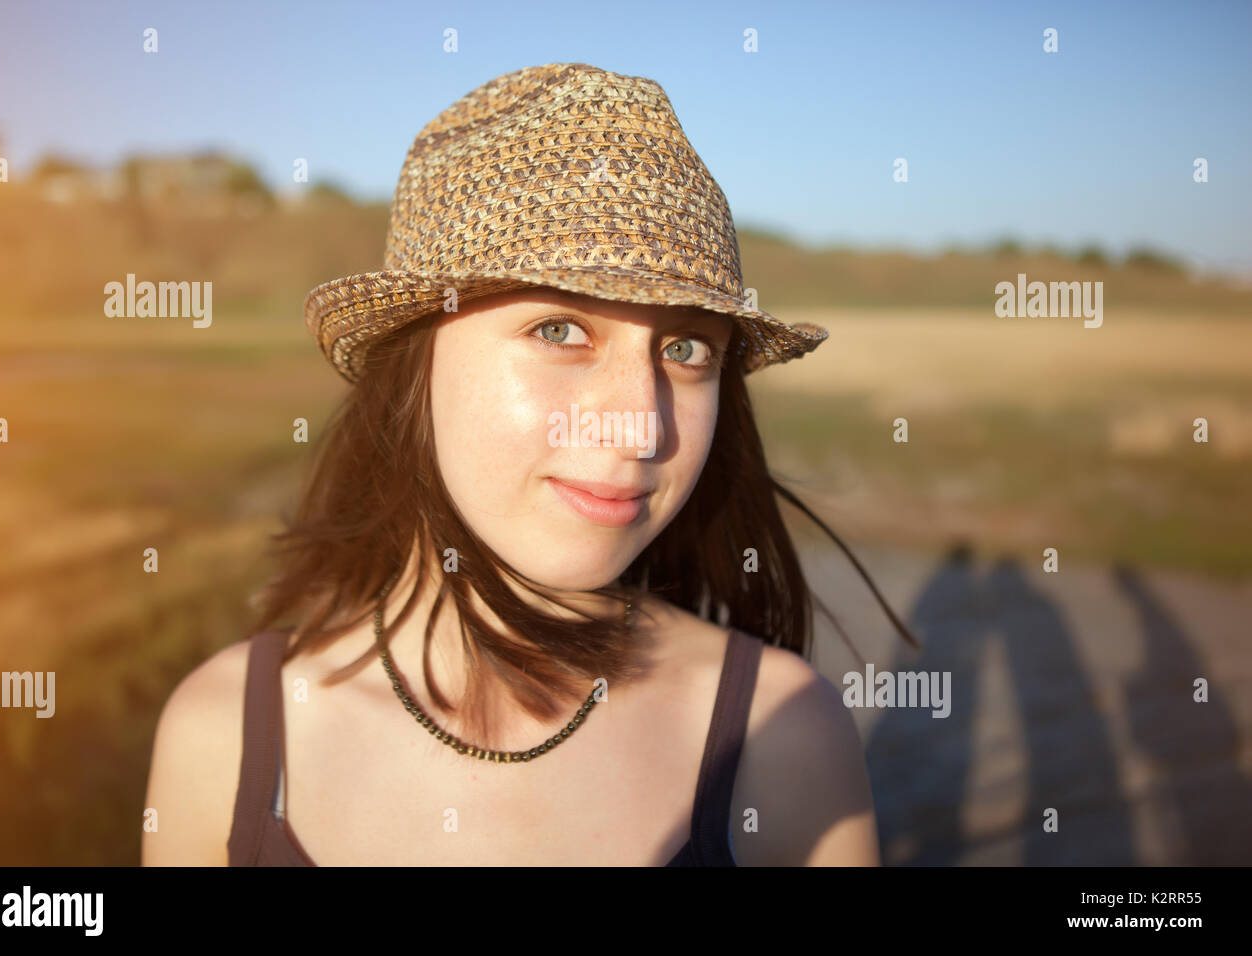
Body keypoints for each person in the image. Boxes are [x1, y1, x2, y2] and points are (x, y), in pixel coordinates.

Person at [141, 62, 918, 867]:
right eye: (559, 331)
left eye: (686, 349)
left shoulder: (782, 735)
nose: (639, 425)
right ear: (415, 363)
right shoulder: (227, 734)